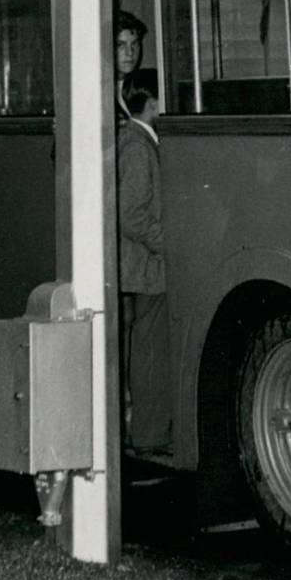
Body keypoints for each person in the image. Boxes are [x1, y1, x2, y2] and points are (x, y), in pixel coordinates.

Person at [116, 72, 169, 453]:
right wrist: (166, 243)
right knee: (151, 351)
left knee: (146, 349)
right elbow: (131, 214)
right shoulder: (137, 146)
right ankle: (150, 436)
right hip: (146, 266)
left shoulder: (133, 140)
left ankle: (147, 432)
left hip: (139, 264)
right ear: (152, 104)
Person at [114, 9, 146, 118]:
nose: (130, 52)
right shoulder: (94, 89)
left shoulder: (146, 85)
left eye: (135, 44)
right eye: (121, 45)